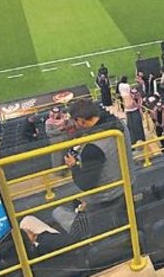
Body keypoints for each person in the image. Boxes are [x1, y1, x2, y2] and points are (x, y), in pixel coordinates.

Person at [50, 99, 128, 234]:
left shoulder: (93, 147)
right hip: (125, 188)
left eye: (75, 122)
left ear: (81, 120)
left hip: (106, 199)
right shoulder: (120, 126)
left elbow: (86, 184)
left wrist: (73, 166)